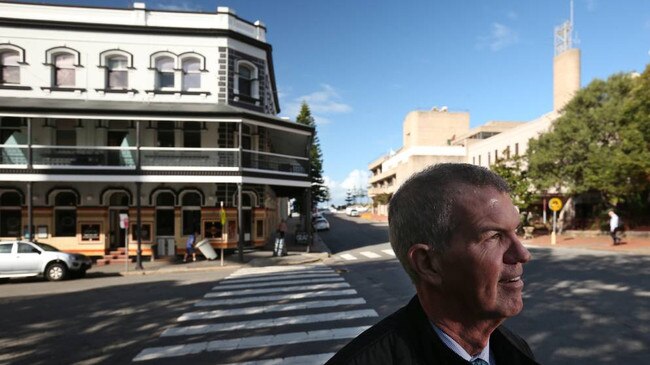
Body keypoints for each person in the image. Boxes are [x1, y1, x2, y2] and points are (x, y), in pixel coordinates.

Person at [327, 163, 538, 365]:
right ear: (427, 263)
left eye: (515, 231)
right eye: (493, 236)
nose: (523, 254)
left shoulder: (514, 349)